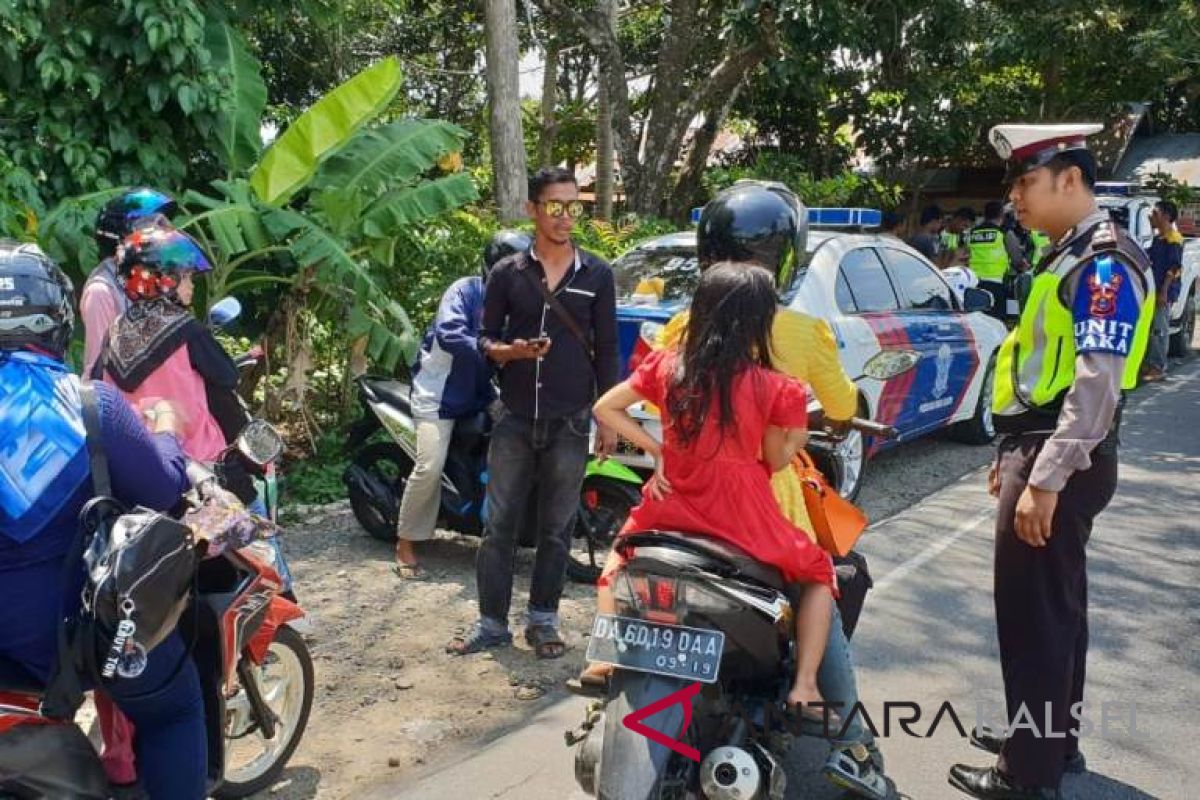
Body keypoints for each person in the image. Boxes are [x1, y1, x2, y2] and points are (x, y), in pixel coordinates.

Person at [622, 182, 890, 799]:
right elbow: (843, 405)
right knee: (819, 575)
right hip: (764, 506)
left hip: (680, 502)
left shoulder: (680, 330)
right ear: (785, 256)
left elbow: (635, 401)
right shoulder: (800, 333)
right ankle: (850, 740)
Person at [949, 123, 1154, 800]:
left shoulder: (1102, 262)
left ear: (1070, 179)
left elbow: (1094, 385)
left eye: (1025, 181)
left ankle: (1024, 774)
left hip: (1060, 454)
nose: (1014, 197)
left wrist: (1043, 477)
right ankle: (1047, 741)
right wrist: (1013, 455)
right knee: (1058, 607)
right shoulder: (1070, 255)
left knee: (1033, 617)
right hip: (1040, 448)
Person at [0, 240, 206, 799]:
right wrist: (165, 426)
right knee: (176, 707)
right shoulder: (92, 405)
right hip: (75, 634)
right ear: (55, 321)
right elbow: (164, 487)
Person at [591, 262, 835, 711]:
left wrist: (658, 451)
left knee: (622, 552)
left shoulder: (667, 366)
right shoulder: (778, 387)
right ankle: (805, 685)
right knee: (820, 573)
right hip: (742, 512)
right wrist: (789, 436)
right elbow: (776, 459)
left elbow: (606, 407)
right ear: (759, 321)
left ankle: (604, 656)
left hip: (671, 500)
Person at [446, 167, 619, 659]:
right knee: (498, 525)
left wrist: (607, 416)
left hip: (570, 419)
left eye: (573, 206)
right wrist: (510, 352)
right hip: (515, 417)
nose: (566, 217)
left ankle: (543, 621)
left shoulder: (598, 274)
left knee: (557, 528)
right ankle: (491, 624)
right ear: (533, 210)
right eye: (555, 206)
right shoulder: (508, 274)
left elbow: (607, 351)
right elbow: (484, 338)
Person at [393, 230, 529, 578]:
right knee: (429, 466)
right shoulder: (464, 291)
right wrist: (497, 349)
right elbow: (451, 334)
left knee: (519, 440)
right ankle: (406, 543)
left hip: (480, 394)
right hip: (438, 396)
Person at [91, 225, 242, 466]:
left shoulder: (116, 330)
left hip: (132, 459)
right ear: (166, 280)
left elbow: (97, 384)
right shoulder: (185, 328)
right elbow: (227, 377)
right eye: (186, 277)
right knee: (252, 504)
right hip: (196, 457)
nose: (191, 285)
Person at [80, 188, 177, 377]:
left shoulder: (150, 280)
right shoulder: (102, 290)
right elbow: (98, 368)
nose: (163, 235)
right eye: (153, 228)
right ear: (125, 238)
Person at [1141, 199, 1184, 382]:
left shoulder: (1173, 239)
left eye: (1155, 213)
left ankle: (1158, 367)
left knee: (1160, 329)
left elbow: (1174, 268)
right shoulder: (1158, 239)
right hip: (1154, 290)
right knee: (1150, 328)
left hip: (1163, 291)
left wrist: (1164, 292)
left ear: (1166, 216)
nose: (1151, 216)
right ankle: (1149, 364)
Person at [967, 200, 1025, 322]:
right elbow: (1017, 260)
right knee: (997, 322)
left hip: (974, 284)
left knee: (977, 322)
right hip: (996, 285)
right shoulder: (1004, 233)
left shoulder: (972, 233)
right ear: (1002, 216)